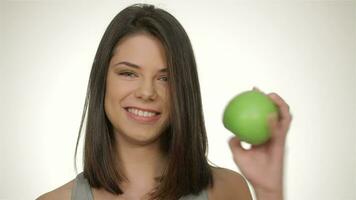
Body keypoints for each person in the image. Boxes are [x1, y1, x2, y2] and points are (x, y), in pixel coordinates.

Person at [37, 3, 292, 200]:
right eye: (128, 73)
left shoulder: (227, 191)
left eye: (165, 78)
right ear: (101, 80)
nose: (147, 92)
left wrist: (269, 190)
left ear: (183, 91)